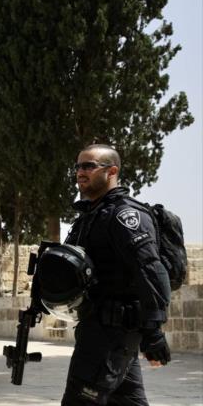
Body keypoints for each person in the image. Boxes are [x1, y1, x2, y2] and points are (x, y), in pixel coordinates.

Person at [57, 144, 171, 405]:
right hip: (100, 330)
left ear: (112, 171)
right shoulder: (90, 215)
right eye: (77, 166)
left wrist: (154, 332)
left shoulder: (124, 215)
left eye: (89, 166)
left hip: (110, 335)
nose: (80, 172)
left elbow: (151, 271)